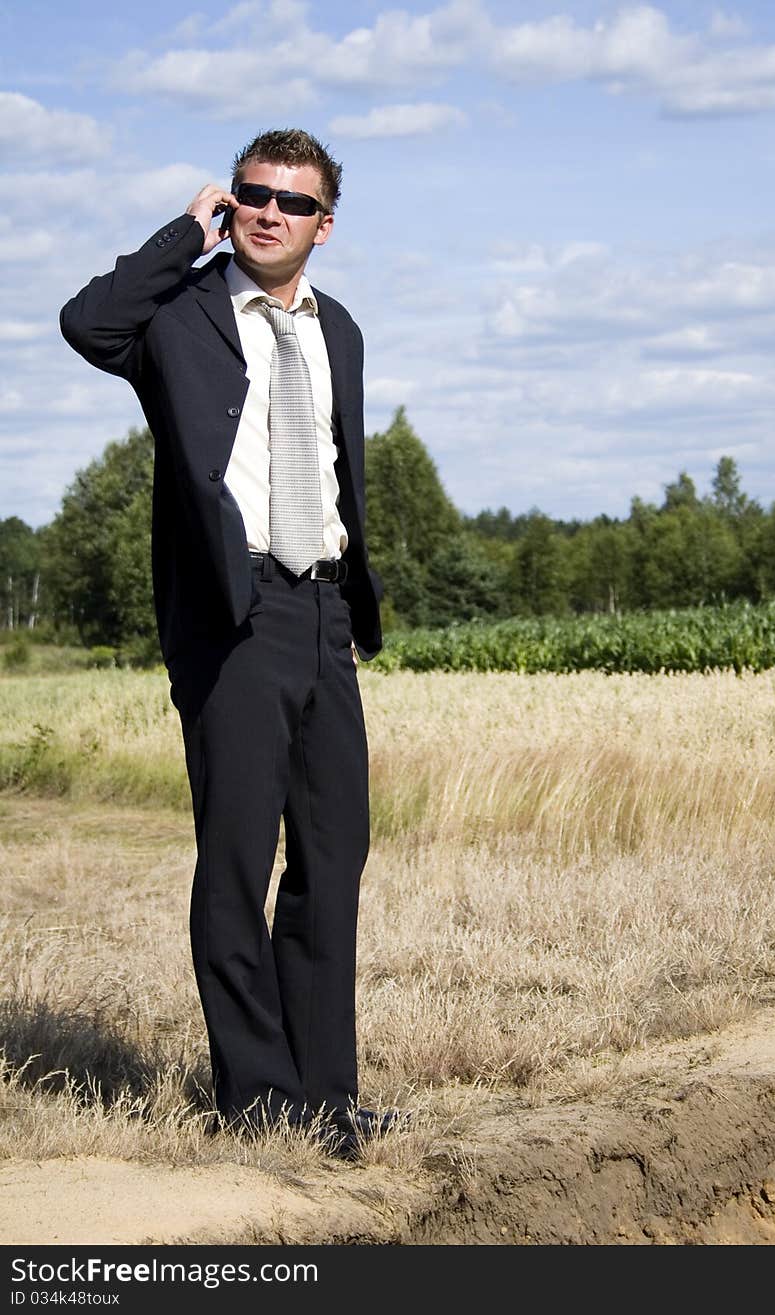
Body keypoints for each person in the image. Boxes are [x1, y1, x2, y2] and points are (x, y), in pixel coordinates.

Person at [60, 128, 397, 1156]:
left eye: (289, 203)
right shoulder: (179, 314)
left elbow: (338, 469)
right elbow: (85, 321)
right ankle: (257, 1099)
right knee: (239, 857)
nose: (265, 212)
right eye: (250, 193)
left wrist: (346, 606)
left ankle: (324, 1095)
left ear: (323, 226)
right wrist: (181, 233)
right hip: (233, 609)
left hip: (323, 608)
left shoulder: (338, 329)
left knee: (333, 854)